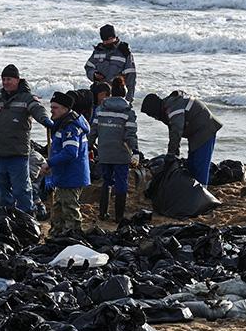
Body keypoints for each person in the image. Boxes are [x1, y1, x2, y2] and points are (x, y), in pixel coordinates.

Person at [0, 64, 53, 216]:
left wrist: (45, 120)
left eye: (9, 79)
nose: (6, 82)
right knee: (2, 190)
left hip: (17, 154)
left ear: (17, 80)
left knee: (22, 190)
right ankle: (8, 218)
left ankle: (27, 217)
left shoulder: (26, 98)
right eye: (4, 79)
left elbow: (37, 109)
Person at [141, 90, 222, 185]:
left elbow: (176, 131)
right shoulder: (167, 108)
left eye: (152, 114)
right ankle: (194, 191)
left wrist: (171, 154)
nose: (154, 117)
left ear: (155, 109)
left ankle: (201, 194)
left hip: (205, 129)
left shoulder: (173, 107)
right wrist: (175, 153)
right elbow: (173, 133)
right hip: (196, 133)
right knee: (192, 164)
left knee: (199, 165)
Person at [40, 92, 91, 237]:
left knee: (69, 208)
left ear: (65, 109)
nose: (51, 110)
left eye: (55, 108)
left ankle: (73, 235)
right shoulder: (62, 123)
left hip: (72, 175)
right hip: (63, 175)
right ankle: (57, 234)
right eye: (51, 107)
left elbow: (70, 152)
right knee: (59, 207)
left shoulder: (71, 127)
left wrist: (49, 163)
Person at [89, 77, 139, 225]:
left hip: (104, 152)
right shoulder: (128, 112)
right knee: (121, 183)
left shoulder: (101, 110)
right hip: (121, 153)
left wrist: (89, 146)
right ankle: (118, 217)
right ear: (124, 93)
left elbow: (93, 132)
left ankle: (103, 213)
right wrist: (135, 151)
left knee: (106, 181)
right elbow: (130, 134)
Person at [85, 24, 137, 101]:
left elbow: (131, 77)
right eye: (104, 41)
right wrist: (94, 75)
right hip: (99, 95)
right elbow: (88, 67)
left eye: (108, 39)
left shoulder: (124, 52)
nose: (106, 43)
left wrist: (128, 100)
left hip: (116, 94)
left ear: (114, 37)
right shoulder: (98, 51)